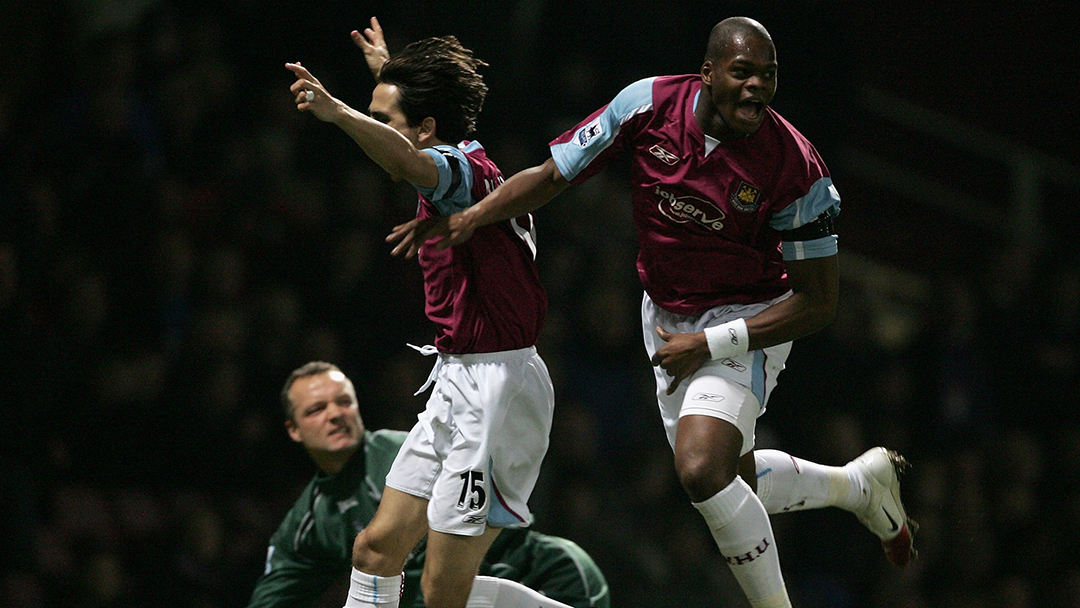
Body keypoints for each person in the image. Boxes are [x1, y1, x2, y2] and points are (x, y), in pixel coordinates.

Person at [388, 16, 915, 608]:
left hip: (748, 316)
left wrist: (713, 345)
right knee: (731, 482)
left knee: (699, 469)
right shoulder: (647, 105)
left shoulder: (796, 168)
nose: (756, 88)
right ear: (708, 72)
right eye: (742, 73)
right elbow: (551, 175)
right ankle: (856, 486)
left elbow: (818, 303)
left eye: (768, 77)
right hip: (666, 314)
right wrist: (473, 215)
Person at [286, 19, 578, 608]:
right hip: (458, 379)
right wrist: (388, 72)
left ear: (426, 129)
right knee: (375, 551)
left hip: (500, 391)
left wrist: (339, 112)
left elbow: (410, 158)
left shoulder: (460, 173)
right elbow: (408, 140)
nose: (376, 126)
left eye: (385, 118)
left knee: (443, 592)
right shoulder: (459, 166)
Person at [247, 361, 611, 608]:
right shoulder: (309, 522)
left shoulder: (408, 455)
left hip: (547, 577)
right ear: (293, 430)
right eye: (316, 409)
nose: (335, 414)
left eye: (344, 402)